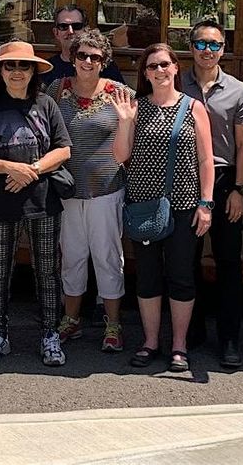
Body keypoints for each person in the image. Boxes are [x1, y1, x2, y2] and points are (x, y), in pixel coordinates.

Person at [0, 41, 71, 366]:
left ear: (32, 71)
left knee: (47, 271)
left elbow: (63, 149)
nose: (16, 72)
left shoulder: (47, 104)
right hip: (0, 202)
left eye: (23, 66)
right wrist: (11, 168)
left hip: (43, 202)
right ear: (0, 70)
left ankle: (50, 335)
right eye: (10, 66)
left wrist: (33, 170)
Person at [113, 44, 215, 374]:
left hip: (184, 204)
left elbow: (205, 159)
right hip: (143, 205)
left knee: (182, 277)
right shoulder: (135, 107)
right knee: (148, 278)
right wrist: (125, 122)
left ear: (175, 68)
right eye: (152, 66)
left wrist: (206, 202)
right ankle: (150, 341)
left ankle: (180, 345)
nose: (159, 71)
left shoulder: (193, 107)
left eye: (165, 65)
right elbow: (119, 156)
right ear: (144, 73)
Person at [49, 28, 135, 352]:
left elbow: (126, 151)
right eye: (82, 55)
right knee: (71, 257)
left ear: (104, 61)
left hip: (107, 189)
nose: (87, 61)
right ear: (73, 58)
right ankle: (71, 320)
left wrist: (126, 122)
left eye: (95, 56)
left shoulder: (120, 94)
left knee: (108, 257)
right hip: (68, 190)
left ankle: (113, 325)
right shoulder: (57, 89)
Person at [180, 19, 243, 368]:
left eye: (214, 44)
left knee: (227, 263)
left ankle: (229, 339)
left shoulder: (239, 91)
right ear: (190, 47)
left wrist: (239, 189)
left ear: (223, 49)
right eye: (200, 44)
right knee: (186, 261)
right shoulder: (178, 83)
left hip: (226, 182)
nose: (207, 51)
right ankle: (191, 333)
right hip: (185, 179)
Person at [40, 4, 125, 85]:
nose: (70, 31)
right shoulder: (47, 68)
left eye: (77, 26)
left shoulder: (103, 65)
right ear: (56, 33)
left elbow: (126, 96)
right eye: (63, 26)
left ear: (86, 30)